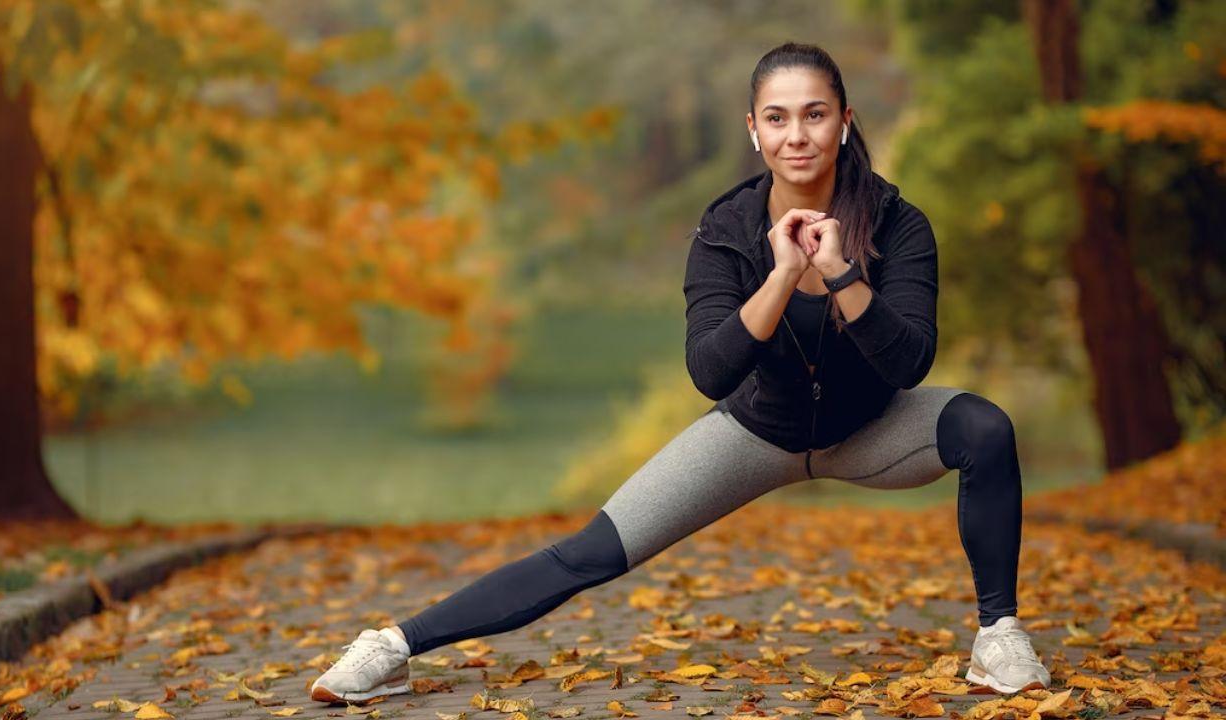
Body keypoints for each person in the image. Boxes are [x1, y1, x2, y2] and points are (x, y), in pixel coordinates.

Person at [308, 42, 1051, 704]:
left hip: (874, 430)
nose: (798, 135)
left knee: (984, 427)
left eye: (816, 115)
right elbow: (710, 370)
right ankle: (393, 646)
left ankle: (1000, 636)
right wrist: (784, 274)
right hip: (755, 432)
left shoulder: (896, 222)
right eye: (779, 117)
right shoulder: (726, 231)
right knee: (592, 551)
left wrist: (842, 273)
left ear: (845, 121)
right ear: (753, 129)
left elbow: (911, 360)